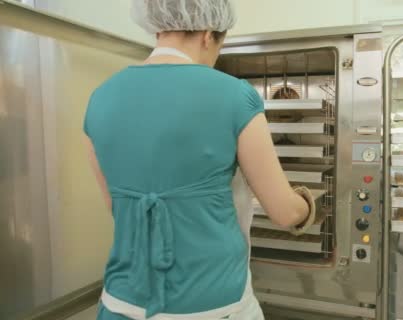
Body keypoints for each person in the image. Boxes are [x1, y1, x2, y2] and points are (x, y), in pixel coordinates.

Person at [83, 0, 316, 319]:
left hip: (121, 303)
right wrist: (309, 203)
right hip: (214, 305)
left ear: (159, 27)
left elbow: (116, 207)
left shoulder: (100, 97)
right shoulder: (235, 95)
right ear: (208, 34)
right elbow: (284, 212)